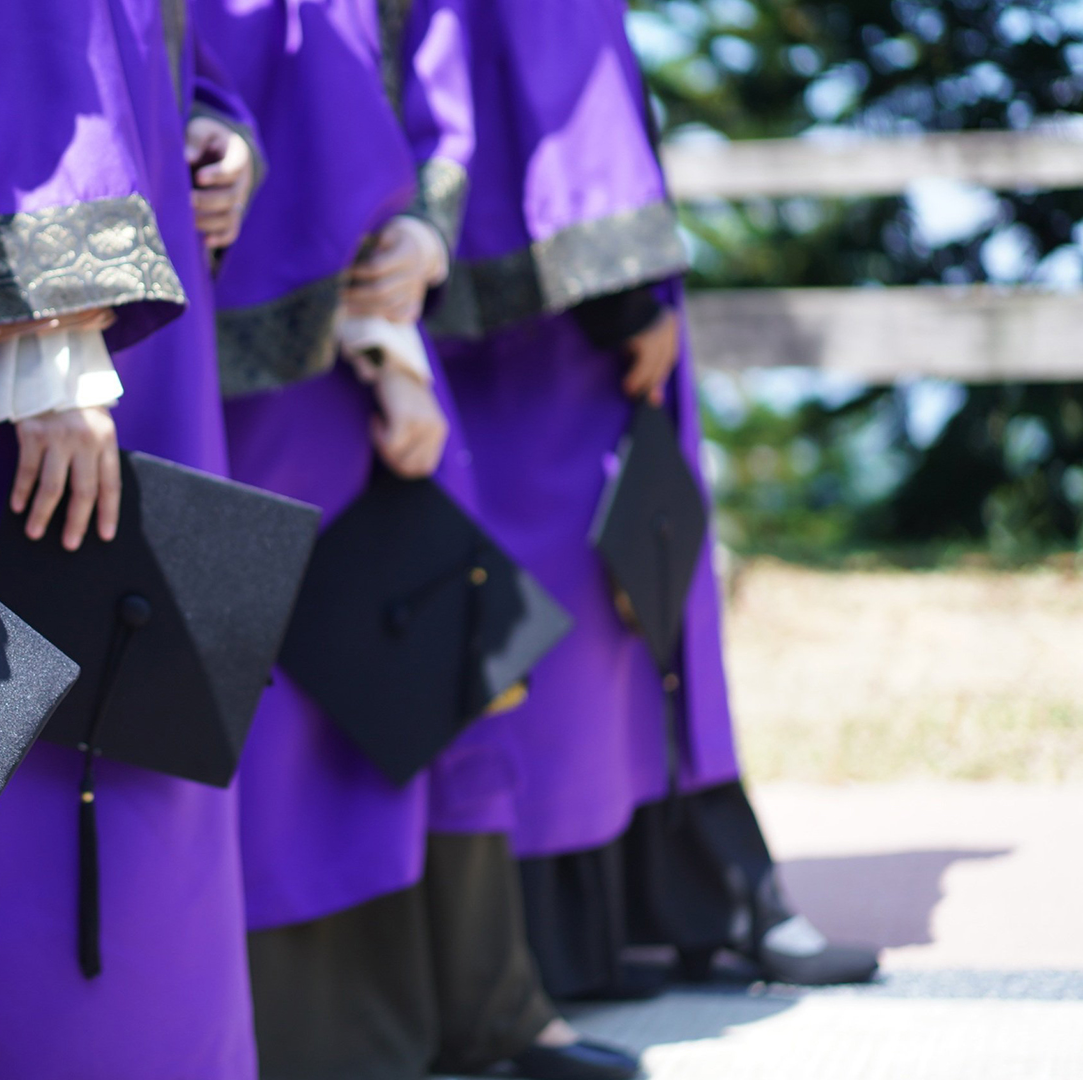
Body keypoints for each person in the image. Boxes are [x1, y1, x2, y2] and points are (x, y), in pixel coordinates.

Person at [194, 2, 639, 1078]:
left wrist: (422, 251)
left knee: (434, 662)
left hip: (367, 328)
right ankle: (337, 1038)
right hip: (236, 339)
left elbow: (413, 94)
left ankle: (488, 1004)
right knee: (285, 709)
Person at [421, 0, 881, 999]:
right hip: (564, 314)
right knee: (598, 614)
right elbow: (556, 55)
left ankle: (634, 914)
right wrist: (627, 296)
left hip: (494, 292)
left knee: (599, 619)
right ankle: (687, 902)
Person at [0, 2, 263, 1077]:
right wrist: (45, 335)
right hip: (22, 289)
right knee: (29, 757)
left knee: (141, 739)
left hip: (117, 236)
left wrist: (214, 120)